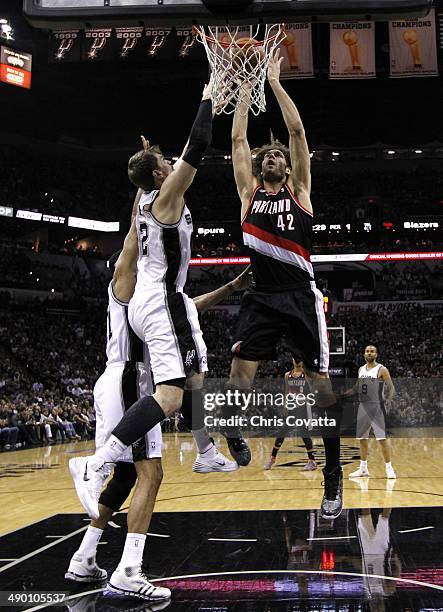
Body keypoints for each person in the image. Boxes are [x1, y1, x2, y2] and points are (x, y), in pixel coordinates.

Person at [68, 219, 250, 601]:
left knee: (124, 479)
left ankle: (84, 557)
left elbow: (187, 308)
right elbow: (133, 238)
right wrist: (144, 192)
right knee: (151, 475)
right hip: (130, 379)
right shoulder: (125, 285)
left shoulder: (147, 302)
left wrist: (231, 288)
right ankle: (129, 570)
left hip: (116, 382)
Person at [69, 78, 219, 513]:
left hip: (150, 303)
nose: (172, 163)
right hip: (159, 299)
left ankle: (207, 450)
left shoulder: (145, 202)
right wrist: (209, 95)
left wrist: (145, 166)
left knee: (187, 385)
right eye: (164, 162)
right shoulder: (167, 197)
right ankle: (98, 463)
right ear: (159, 176)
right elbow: (198, 145)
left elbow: (139, 202)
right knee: (172, 395)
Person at [225, 49, 343, 519]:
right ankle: (233, 430)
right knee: (239, 376)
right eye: (266, 156)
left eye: (279, 156)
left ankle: (332, 477)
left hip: (300, 297)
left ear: (289, 167)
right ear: (259, 167)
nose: (274, 157)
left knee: (321, 390)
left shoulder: (301, 192)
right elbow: (237, 139)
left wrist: (273, 81)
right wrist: (242, 91)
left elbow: (297, 132)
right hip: (261, 297)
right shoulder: (247, 194)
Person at [343, 345, 396, 479]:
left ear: (376, 354)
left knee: (382, 439)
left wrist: (388, 400)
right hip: (363, 408)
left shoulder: (381, 369)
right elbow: (356, 388)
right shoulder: (361, 369)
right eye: (367, 351)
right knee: (362, 439)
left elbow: (391, 388)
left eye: (372, 351)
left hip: (377, 407)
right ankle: (363, 468)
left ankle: (389, 468)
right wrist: (342, 395)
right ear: (364, 354)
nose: (369, 353)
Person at [264, 359, 317, 471]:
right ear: (293, 361)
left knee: (304, 433)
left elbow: (312, 391)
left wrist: (304, 399)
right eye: (295, 359)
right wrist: (285, 405)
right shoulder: (287, 375)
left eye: (299, 359)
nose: (297, 361)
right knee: (282, 432)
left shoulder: (306, 375)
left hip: (303, 408)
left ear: (302, 362)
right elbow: (287, 391)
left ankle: (312, 461)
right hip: (291, 407)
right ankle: (272, 459)